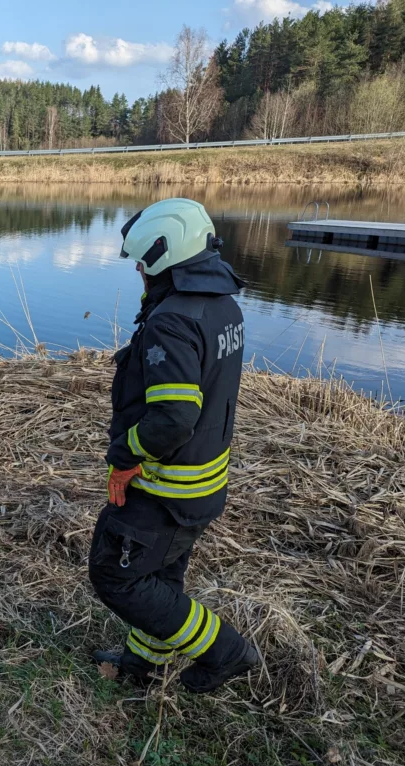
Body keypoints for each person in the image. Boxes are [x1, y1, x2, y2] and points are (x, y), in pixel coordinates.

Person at [89, 198, 258, 694]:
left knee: (116, 576)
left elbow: (174, 416)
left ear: (164, 255)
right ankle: (142, 665)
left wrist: (124, 455)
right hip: (202, 483)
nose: (139, 273)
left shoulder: (172, 321)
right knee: (160, 578)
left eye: (142, 263)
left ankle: (226, 651)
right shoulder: (223, 305)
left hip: (163, 487)